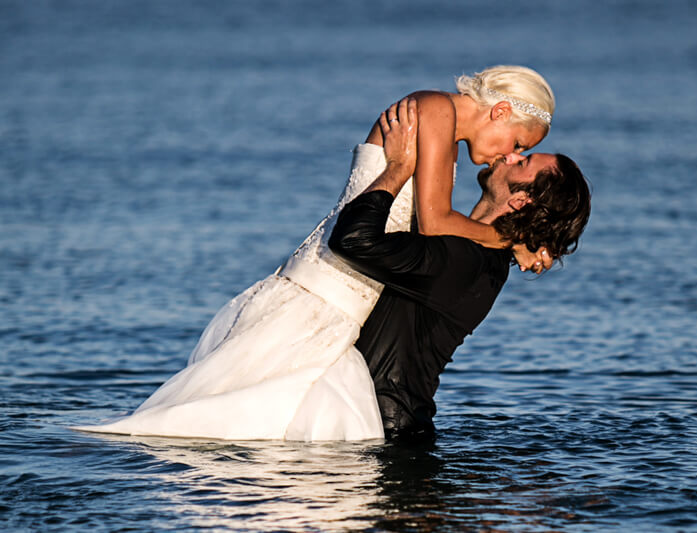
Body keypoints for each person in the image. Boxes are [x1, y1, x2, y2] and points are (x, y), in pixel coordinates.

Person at [74, 66, 557, 441]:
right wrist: (509, 240)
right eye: (518, 143)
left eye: (519, 154)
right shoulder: (434, 109)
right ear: (499, 113)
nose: (506, 157)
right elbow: (433, 223)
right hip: (334, 282)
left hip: (354, 285)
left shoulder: (446, 133)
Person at [330, 98, 591, 442]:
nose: (508, 155)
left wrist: (398, 168)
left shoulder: (465, 260)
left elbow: (352, 240)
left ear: (519, 201)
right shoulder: (482, 257)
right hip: (385, 428)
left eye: (522, 159)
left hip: (384, 436)